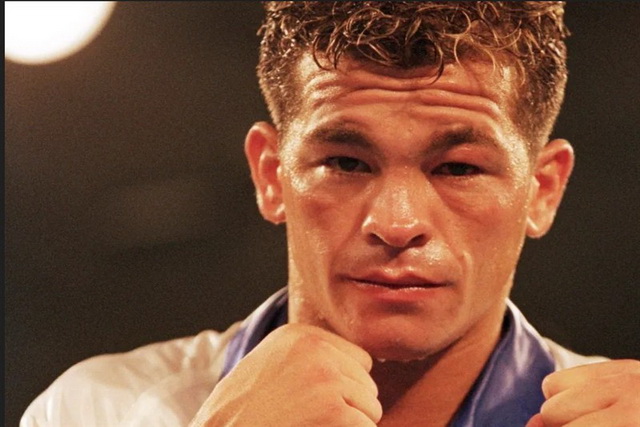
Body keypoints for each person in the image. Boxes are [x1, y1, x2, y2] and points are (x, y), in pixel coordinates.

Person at [21, 2, 639, 426]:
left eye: (457, 168)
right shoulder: (96, 411)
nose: (397, 224)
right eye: (346, 162)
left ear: (543, 189)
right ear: (270, 175)